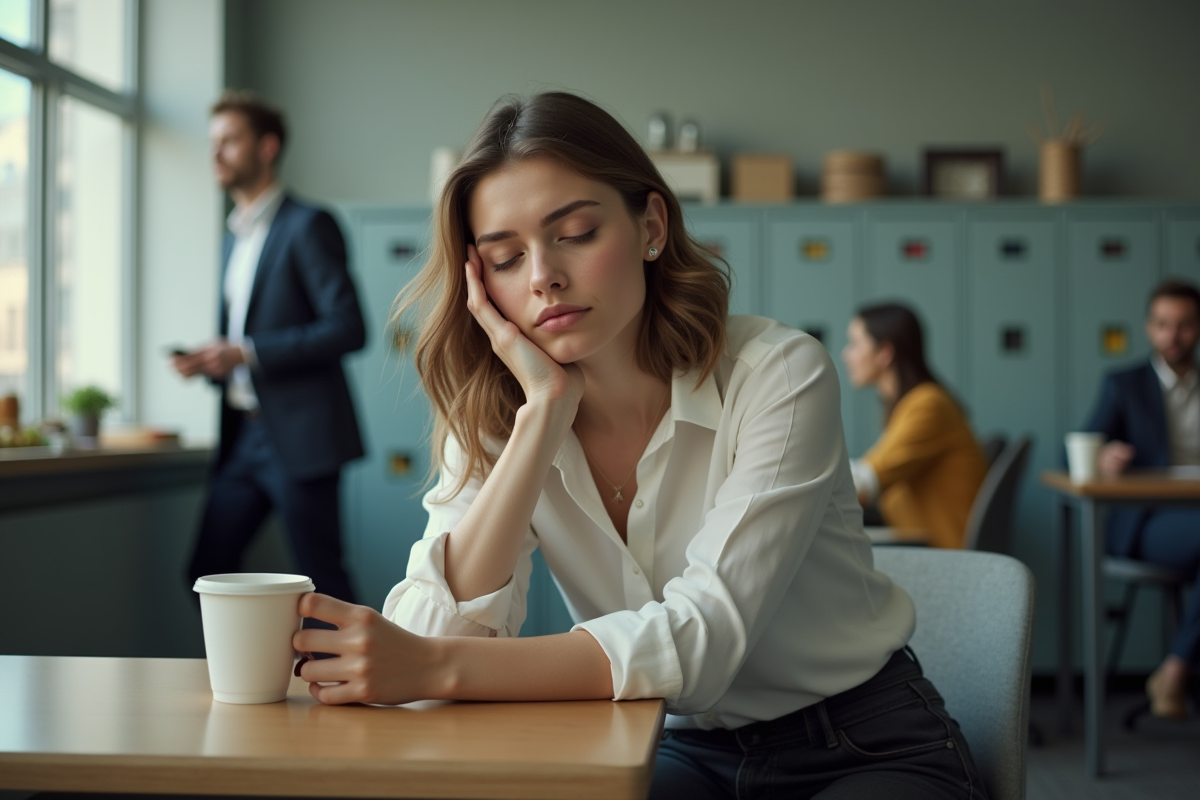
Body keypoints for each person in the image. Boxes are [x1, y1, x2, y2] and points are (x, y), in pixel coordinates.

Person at [291, 92, 987, 799]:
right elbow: (428, 638)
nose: (542, 276)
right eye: (505, 258)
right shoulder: (501, 417)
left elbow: (699, 645)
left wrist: (434, 666)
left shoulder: (776, 373)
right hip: (672, 745)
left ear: (651, 225)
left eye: (576, 233)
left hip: (861, 742)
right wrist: (542, 418)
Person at [172, 90, 365, 605]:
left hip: (299, 438)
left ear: (267, 146)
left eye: (229, 141)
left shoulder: (308, 225)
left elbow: (349, 327)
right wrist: (214, 363)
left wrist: (245, 352)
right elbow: (247, 337)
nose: (215, 153)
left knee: (324, 585)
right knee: (205, 573)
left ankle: (358, 662)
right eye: (212, 142)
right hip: (243, 437)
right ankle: (254, 661)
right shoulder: (233, 238)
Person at [1081, 277, 1200, 720]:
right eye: (1163, 324)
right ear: (1149, 328)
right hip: (1148, 522)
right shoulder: (1125, 383)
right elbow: (1079, 447)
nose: (1173, 335)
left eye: (1184, 324)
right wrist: (1104, 456)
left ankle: (1173, 671)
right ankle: (1176, 671)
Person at [841, 303, 988, 549]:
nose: (846, 355)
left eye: (855, 344)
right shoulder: (913, 405)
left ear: (884, 352)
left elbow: (866, 480)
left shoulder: (928, 406)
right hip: (920, 545)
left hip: (942, 554)